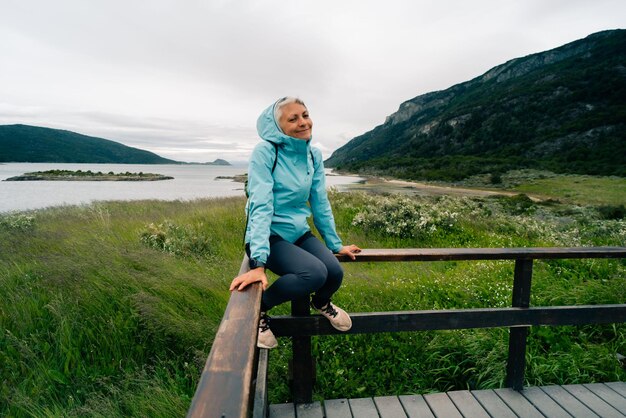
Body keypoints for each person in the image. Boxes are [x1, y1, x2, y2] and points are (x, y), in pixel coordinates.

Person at [229, 97, 361, 349]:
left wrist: (336, 244)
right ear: (278, 126)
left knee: (334, 273)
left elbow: (320, 201)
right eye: (293, 119)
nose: (303, 123)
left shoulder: (313, 155)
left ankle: (321, 303)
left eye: (305, 115)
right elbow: (260, 204)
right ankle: (259, 310)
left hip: (298, 231)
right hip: (268, 234)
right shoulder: (266, 152)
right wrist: (258, 264)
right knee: (313, 273)